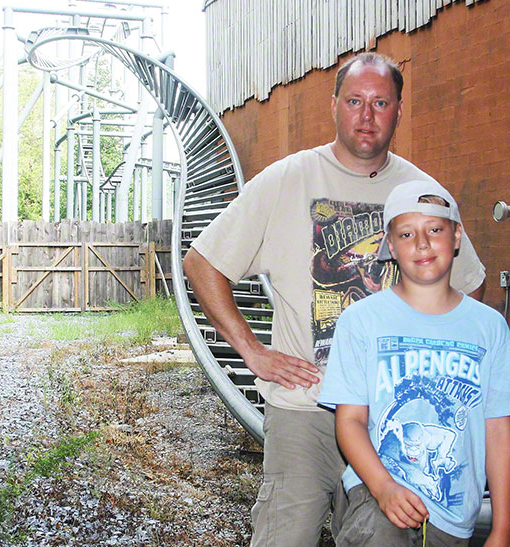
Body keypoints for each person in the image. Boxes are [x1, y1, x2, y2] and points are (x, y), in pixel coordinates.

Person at [183, 52, 486, 546]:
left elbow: (472, 289)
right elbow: (203, 262)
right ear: (334, 106)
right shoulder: (288, 179)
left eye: (380, 103)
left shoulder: (423, 193)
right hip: (306, 411)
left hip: (391, 423)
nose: (366, 117)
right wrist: (252, 351)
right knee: (285, 536)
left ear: (398, 111)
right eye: (355, 101)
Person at [318, 179, 510, 546]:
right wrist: (383, 488)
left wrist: (502, 528)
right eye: (407, 234)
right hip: (376, 496)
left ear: (457, 236)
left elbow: (497, 429)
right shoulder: (362, 320)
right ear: (390, 246)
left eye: (434, 229)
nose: (423, 244)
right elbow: (349, 420)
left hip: (453, 518)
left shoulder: (489, 327)